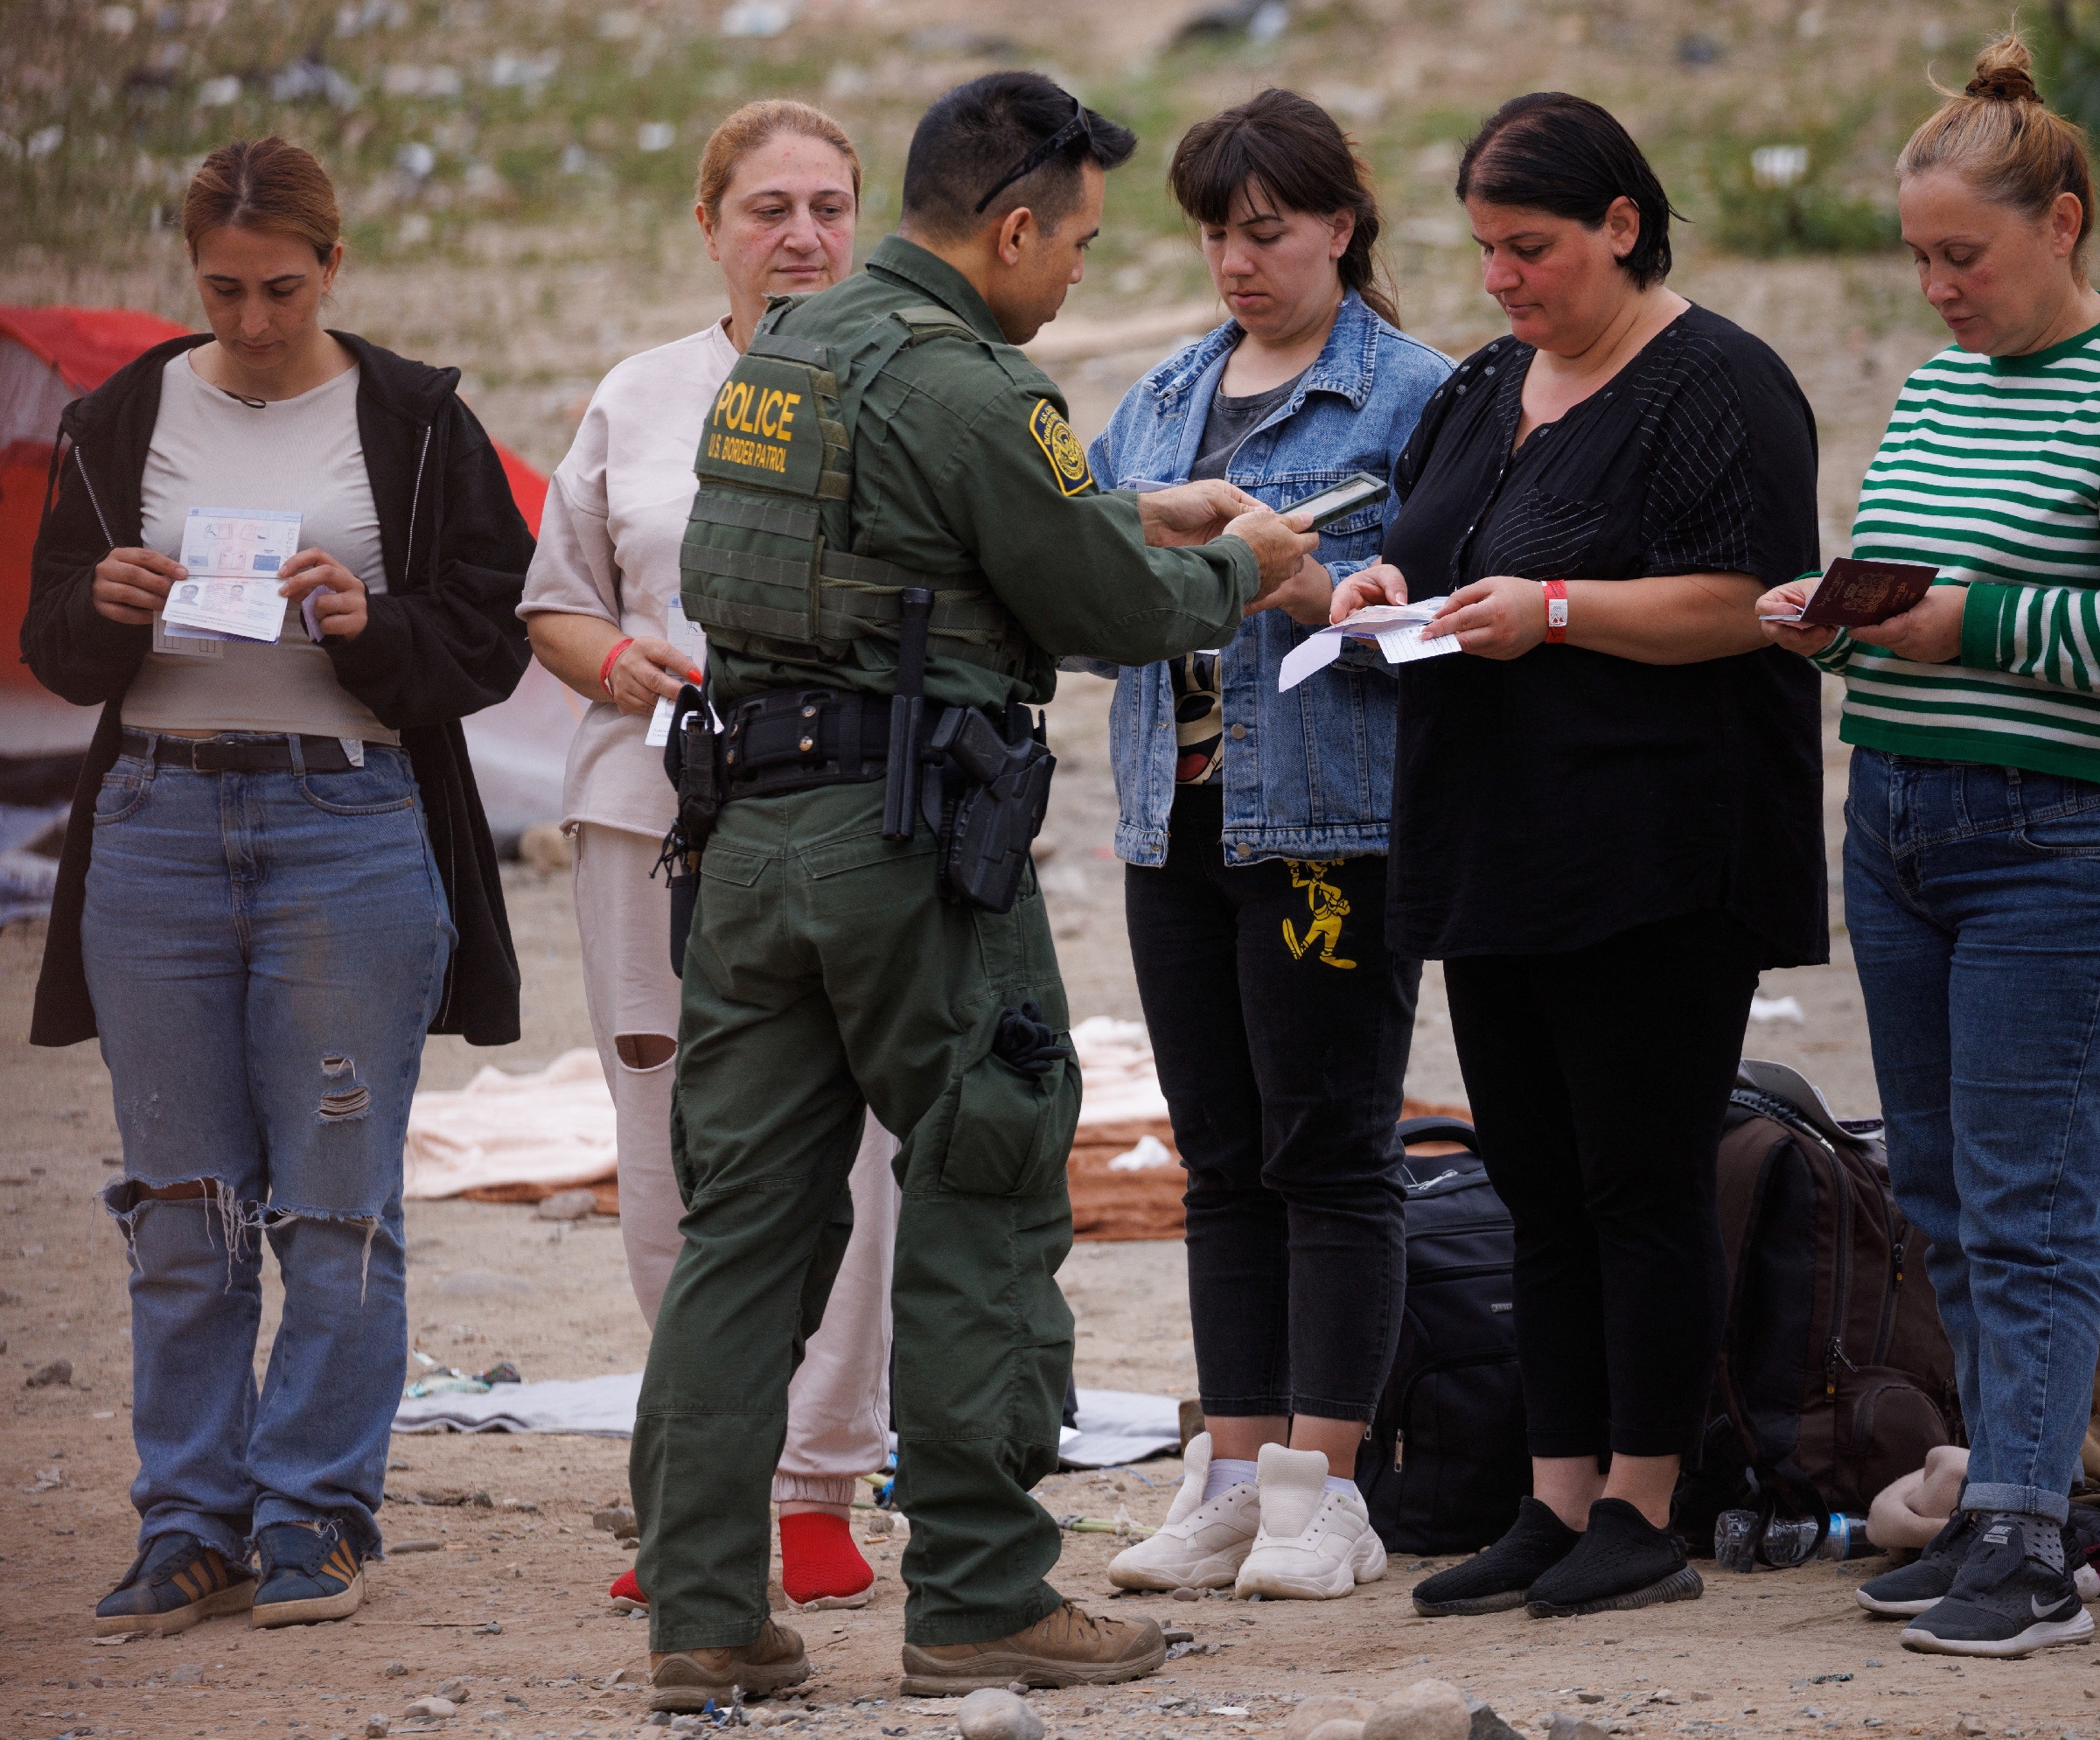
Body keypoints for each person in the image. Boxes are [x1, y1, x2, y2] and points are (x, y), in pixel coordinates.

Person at [625, 71, 1319, 1713]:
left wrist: (1122, 507)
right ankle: (984, 1600)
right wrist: (1245, 566)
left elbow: (904, 543)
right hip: (912, 848)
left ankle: (705, 1617)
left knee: (744, 1230)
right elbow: (1092, 602)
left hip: (749, 843)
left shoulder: (785, 353)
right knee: (985, 1190)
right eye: (1074, 239)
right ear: (1009, 226)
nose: (1079, 268)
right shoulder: (967, 384)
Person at [20, 137, 532, 1637]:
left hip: (346, 821)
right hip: (159, 822)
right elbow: (57, 640)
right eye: (223, 291)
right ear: (191, 276)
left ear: (335, 265)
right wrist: (104, 610)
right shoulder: (121, 415)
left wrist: (370, 624)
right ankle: (190, 1520)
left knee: (332, 1201)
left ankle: (315, 1507)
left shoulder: (417, 417)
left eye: (280, 290)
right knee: (178, 1201)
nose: (250, 321)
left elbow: (486, 638)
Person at [1328, 92, 1825, 1620]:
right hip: (1500, 845)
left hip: (1660, 853)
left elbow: (1750, 598)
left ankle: (1647, 1506)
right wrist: (1386, 587)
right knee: (1535, 1177)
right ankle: (1552, 1500)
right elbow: (1446, 545)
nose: (1501, 278)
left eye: (1529, 246)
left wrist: (1552, 610)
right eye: (1483, 248)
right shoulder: (1486, 383)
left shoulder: (1721, 384)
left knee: (1640, 1176)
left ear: (1622, 223)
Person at [1760, 34, 2100, 1657]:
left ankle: (2030, 1530)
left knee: (2030, 1193)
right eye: (1921, 258)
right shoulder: (1948, 380)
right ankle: (2006, 1489)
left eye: (1966, 255)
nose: (1938, 289)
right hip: (1904, 815)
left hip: (2067, 843)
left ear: (2066, 224)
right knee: (1938, 1183)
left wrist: (1963, 624)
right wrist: (1836, 627)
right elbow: (1912, 587)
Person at [520, 99, 901, 1618]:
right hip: (652, 812)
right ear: (709, 225)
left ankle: (818, 1487)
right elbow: (557, 602)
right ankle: (699, 1485)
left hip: (846, 816)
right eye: (768, 209)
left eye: (828, 205)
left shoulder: (898, 386)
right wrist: (616, 665)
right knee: (668, 1143)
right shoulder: (640, 394)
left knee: (847, 1150)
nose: (800, 235)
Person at [1083, 90, 1451, 1604]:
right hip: (1169, 820)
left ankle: (1325, 1486)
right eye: (1216, 236)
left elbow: (1445, 612)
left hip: (1326, 824)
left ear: (1341, 228)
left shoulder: (1422, 392)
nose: (1238, 263)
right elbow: (1082, 572)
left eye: (1268, 232)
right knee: (1220, 1158)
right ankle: (1229, 1476)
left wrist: (1302, 587)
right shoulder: (1164, 395)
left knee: (1333, 1148)